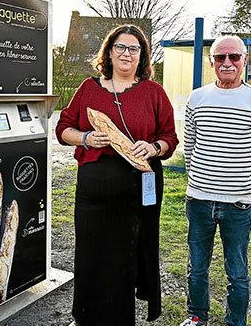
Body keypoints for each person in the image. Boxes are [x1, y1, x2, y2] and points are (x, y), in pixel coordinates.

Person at [56, 24, 178, 326]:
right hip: (93, 191)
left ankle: (120, 318)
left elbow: (170, 138)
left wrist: (152, 147)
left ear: (142, 56)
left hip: (137, 188)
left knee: (126, 255)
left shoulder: (153, 92)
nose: (126, 53)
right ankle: (84, 315)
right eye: (120, 47)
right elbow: (63, 129)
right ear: (108, 52)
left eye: (133, 48)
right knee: (90, 253)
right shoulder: (88, 88)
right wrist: (85, 139)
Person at [180, 35, 251, 326]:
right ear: (211, 62)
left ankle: (236, 322)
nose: (227, 63)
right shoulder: (197, 98)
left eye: (234, 57)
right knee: (197, 267)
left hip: (238, 204)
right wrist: (196, 180)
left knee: (238, 272)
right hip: (199, 200)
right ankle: (197, 317)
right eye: (220, 57)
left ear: (244, 59)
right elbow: (190, 145)